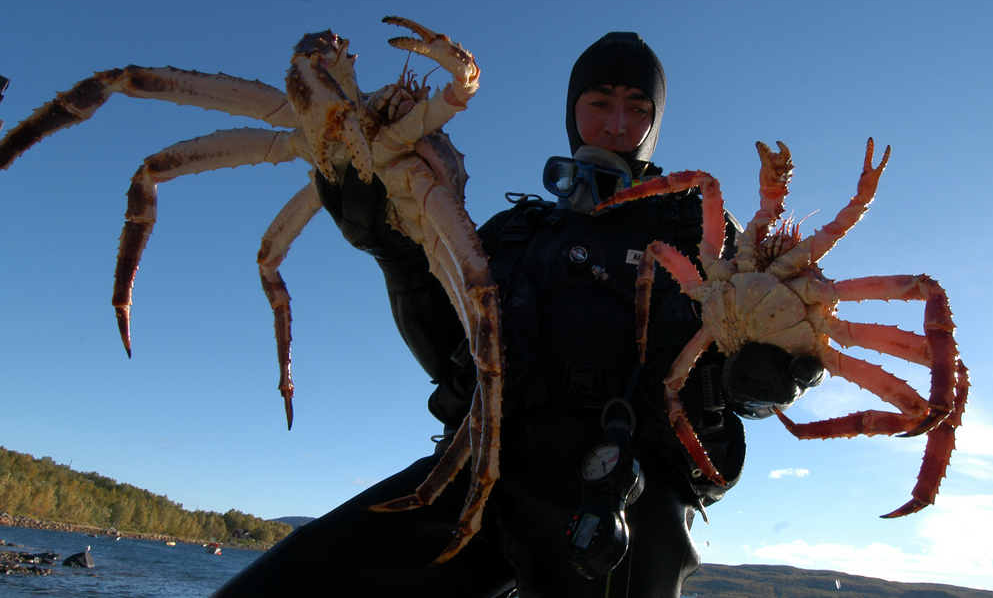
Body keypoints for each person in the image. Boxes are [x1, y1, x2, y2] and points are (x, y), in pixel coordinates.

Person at [211, 32, 822, 598]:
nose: (616, 125)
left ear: (654, 124)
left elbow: (749, 371)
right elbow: (449, 355)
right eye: (600, 101)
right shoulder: (514, 231)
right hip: (480, 463)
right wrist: (393, 252)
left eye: (639, 109)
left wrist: (762, 382)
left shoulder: (699, 230)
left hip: (623, 490)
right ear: (571, 110)